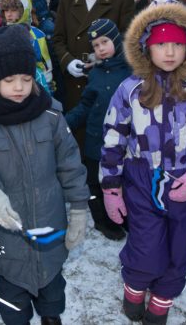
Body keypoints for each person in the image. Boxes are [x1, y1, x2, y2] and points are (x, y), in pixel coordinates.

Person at [101, 0, 186, 324]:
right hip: (142, 181)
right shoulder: (130, 90)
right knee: (146, 249)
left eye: (177, 43)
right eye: (161, 44)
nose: (169, 52)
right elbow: (114, 138)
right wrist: (111, 187)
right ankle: (134, 286)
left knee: (179, 250)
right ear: (146, 47)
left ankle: (161, 302)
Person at [0, 24, 89, 325]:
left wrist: (80, 207)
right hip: (7, 226)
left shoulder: (52, 115)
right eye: (9, 79)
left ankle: (51, 316)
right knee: (12, 282)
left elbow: (70, 162)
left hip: (50, 218)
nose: (18, 86)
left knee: (52, 280)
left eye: (26, 79)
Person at [65, 19, 131, 241]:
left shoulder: (132, 71)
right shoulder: (95, 73)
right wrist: (67, 122)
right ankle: (101, 219)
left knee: (121, 180)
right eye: (95, 46)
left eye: (105, 42)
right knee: (94, 181)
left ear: (116, 40)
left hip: (124, 141)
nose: (100, 49)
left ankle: (123, 216)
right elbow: (86, 105)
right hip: (96, 138)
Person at [53, 0, 135, 113]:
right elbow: (58, 39)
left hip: (108, 80)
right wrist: (67, 61)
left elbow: (128, 39)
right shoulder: (67, 0)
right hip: (75, 82)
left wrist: (101, 60)